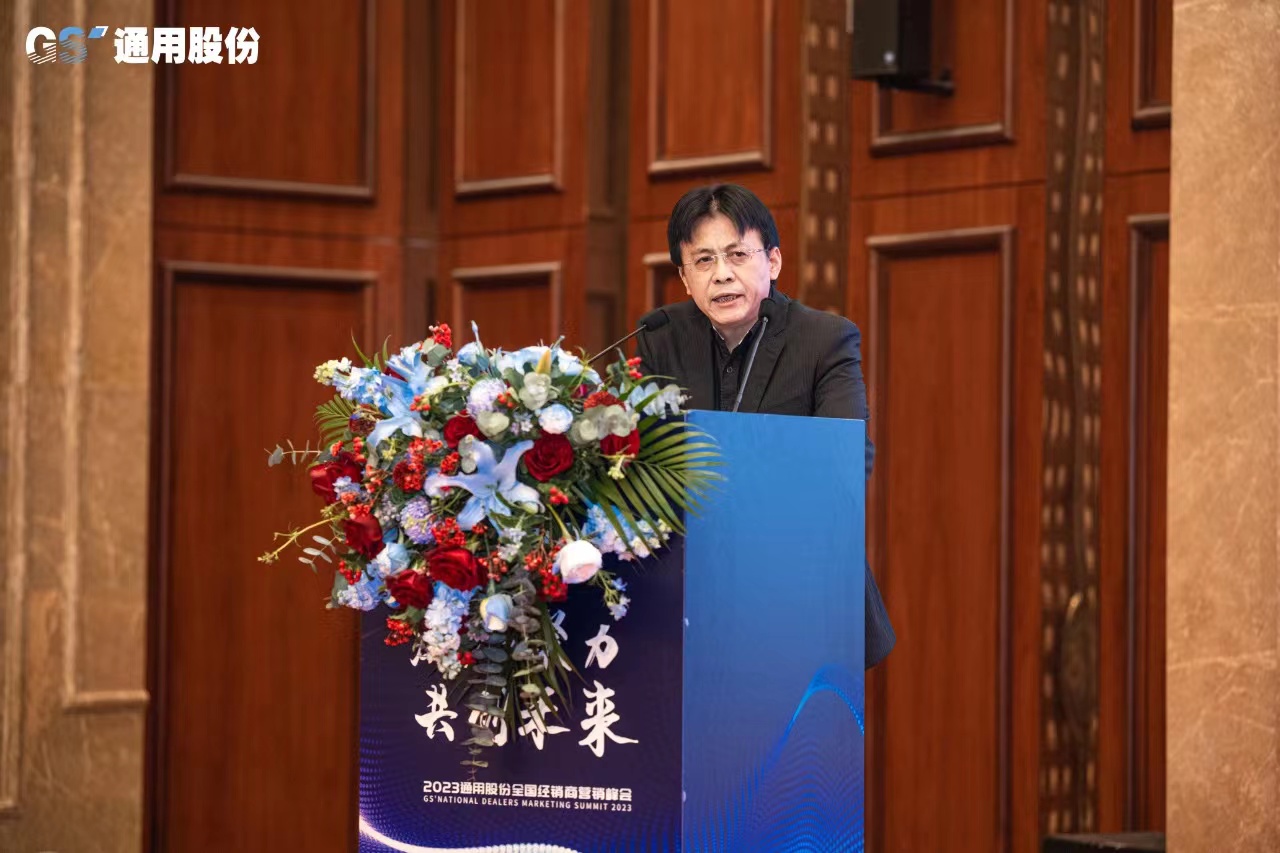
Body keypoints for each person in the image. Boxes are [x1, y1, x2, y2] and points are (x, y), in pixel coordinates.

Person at [637, 183, 896, 669]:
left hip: (803, 593)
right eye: (704, 260)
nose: (722, 274)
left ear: (773, 261)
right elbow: (646, 463)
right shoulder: (661, 338)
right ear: (685, 277)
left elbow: (843, 464)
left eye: (737, 254)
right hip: (692, 603)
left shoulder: (824, 340)